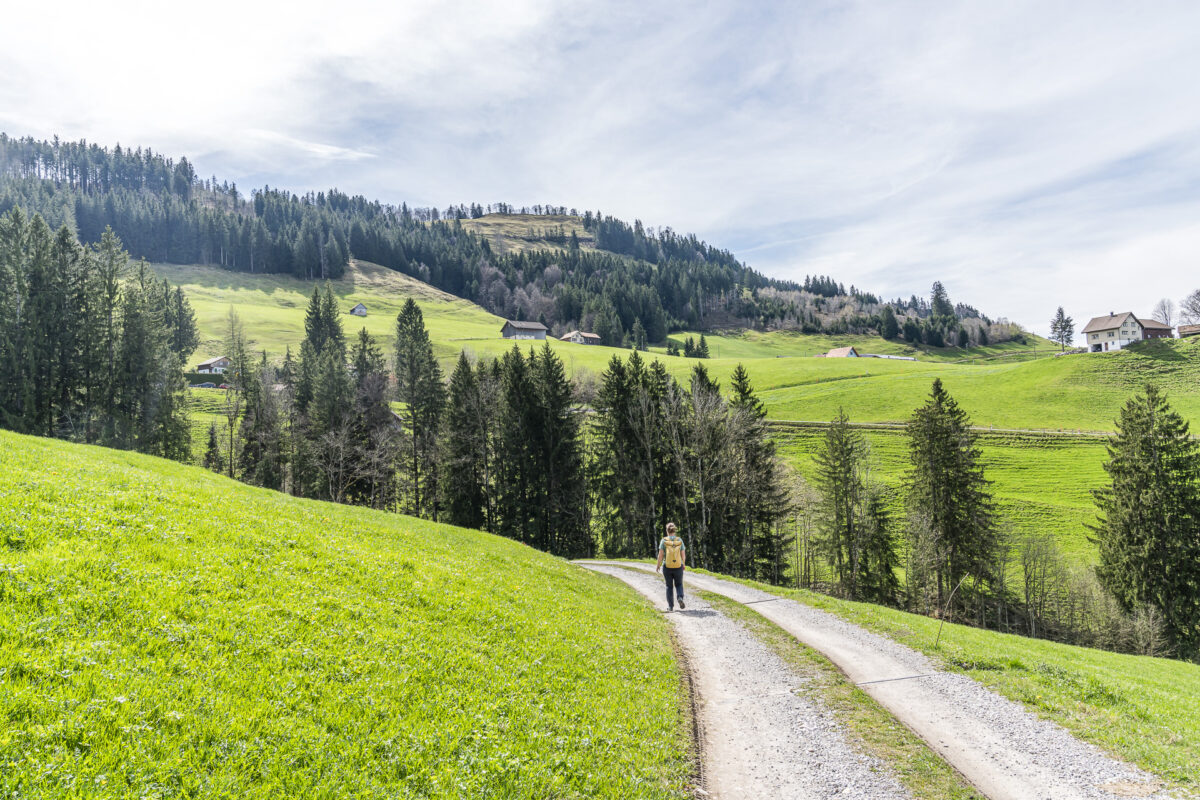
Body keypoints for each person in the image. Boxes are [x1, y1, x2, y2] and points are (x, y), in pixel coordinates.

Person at [655, 522, 686, 611]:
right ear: (674, 530)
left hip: (667, 566)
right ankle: (680, 597)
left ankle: (670, 606)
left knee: (669, 586)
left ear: (667, 531)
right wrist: (683, 563)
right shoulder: (679, 540)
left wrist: (658, 565)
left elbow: (660, 555)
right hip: (678, 566)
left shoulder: (664, 541)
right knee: (679, 584)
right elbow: (683, 554)